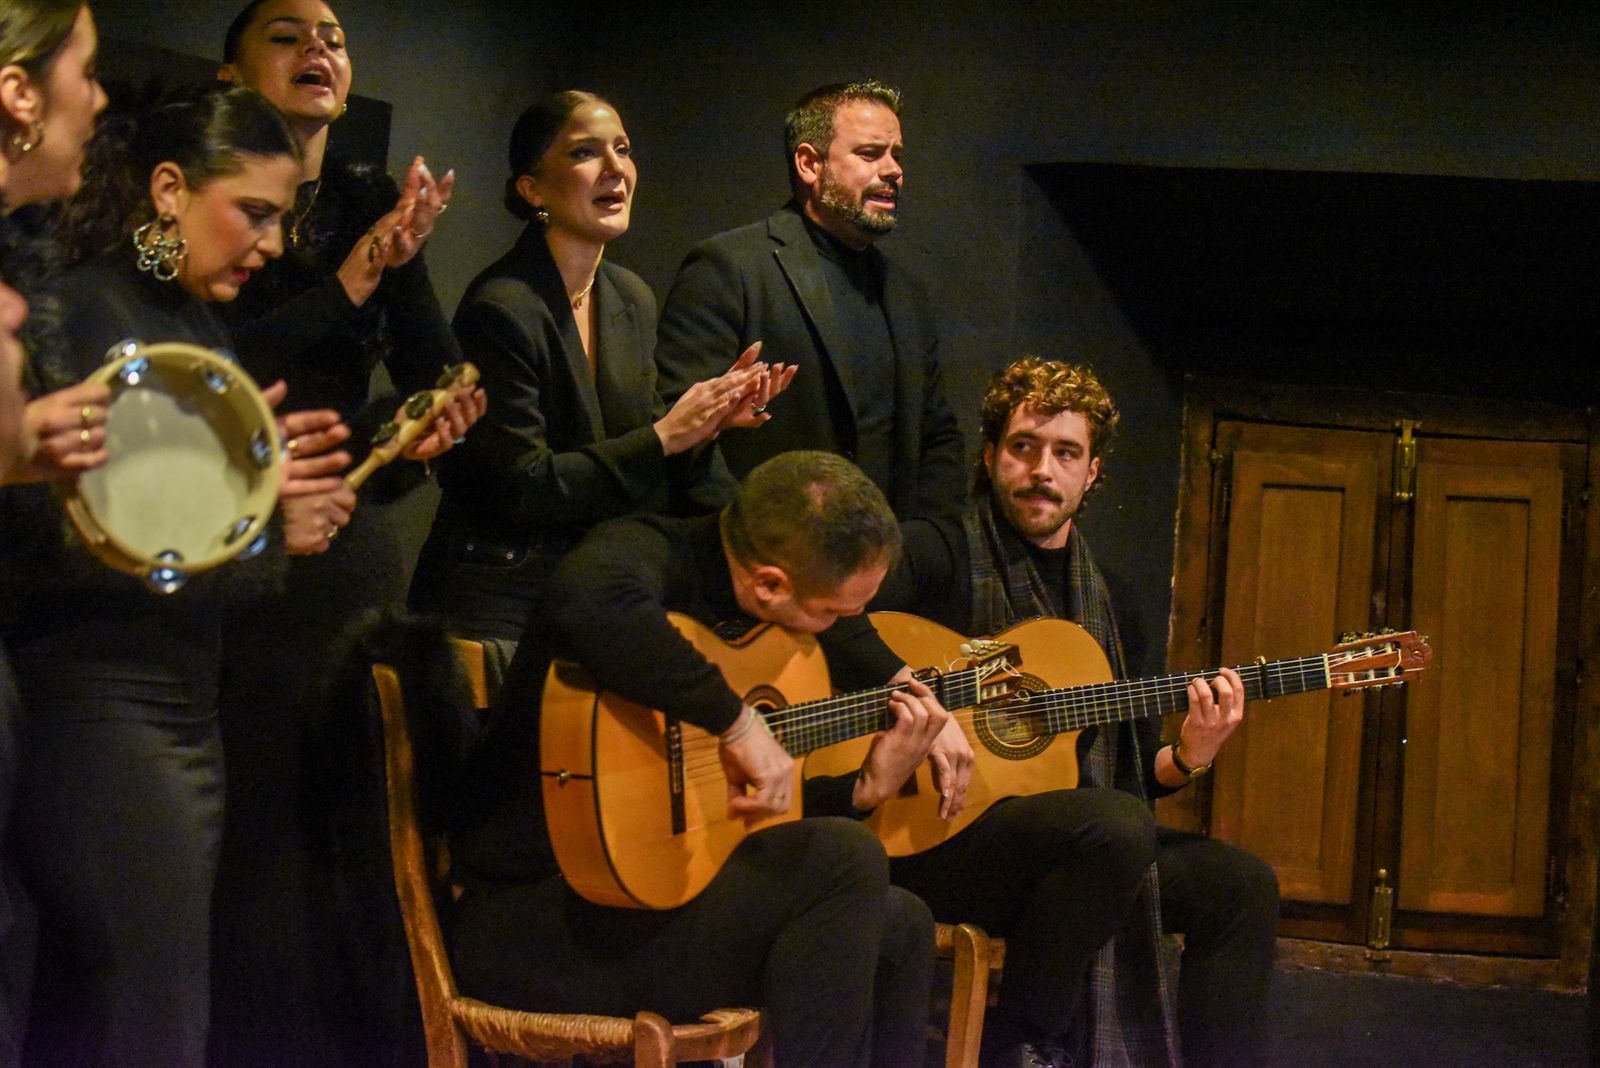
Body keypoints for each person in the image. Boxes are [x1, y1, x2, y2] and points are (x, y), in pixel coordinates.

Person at [3, 85, 353, 1068]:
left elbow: (173, 531)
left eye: (282, 218)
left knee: (138, 1009)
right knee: (145, 1019)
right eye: (255, 212)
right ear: (168, 190)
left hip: (175, 710)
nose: (272, 244)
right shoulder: (81, 312)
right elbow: (55, 542)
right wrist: (261, 530)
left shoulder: (191, 323)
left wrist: (267, 499)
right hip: (101, 716)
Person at [449, 451, 959, 1067]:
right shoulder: (642, 550)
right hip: (533, 918)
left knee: (902, 922)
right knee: (846, 858)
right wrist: (738, 724)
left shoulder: (757, 632)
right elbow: (587, 599)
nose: (833, 631)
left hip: (641, 905)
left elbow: (717, 819)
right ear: (769, 583)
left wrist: (863, 790)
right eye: (829, 613)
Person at [208, 3, 483, 1062]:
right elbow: (213, 373)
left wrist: (427, 421)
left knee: (358, 827)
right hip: (232, 533)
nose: (318, 49)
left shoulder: (369, 200)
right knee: (260, 833)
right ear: (231, 74)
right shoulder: (188, 197)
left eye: (331, 34)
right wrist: (356, 275)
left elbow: (432, 368)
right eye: (286, 35)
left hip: (345, 540)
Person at [873, 357, 1281, 1068]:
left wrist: (1191, 756)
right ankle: (1023, 1044)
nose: (1042, 471)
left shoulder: (1112, 603)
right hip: (935, 837)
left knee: (1240, 885)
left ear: (1092, 474)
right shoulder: (937, 553)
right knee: (1114, 828)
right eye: (1023, 447)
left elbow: (1136, 771)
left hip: (1075, 855)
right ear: (990, 456)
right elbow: (839, 620)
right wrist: (920, 704)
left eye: (1065, 453)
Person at [410, 91, 793, 663]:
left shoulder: (630, 296)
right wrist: (667, 434)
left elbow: (631, 460)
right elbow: (521, 487)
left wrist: (706, 425)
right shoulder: (501, 306)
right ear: (532, 189)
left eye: (623, 149)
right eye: (585, 152)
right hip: (497, 599)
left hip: (582, 588)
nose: (615, 168)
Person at [654, 79, 963, 522]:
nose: (894, 170)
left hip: (884, 556)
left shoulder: (906, 293)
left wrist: (928, 542)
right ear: (809, 164)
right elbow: (682, 433)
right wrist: (758, 538)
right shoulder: (728, 268)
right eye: (870, 153)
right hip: (763, 550)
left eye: (897, 155)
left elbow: (936, 435)